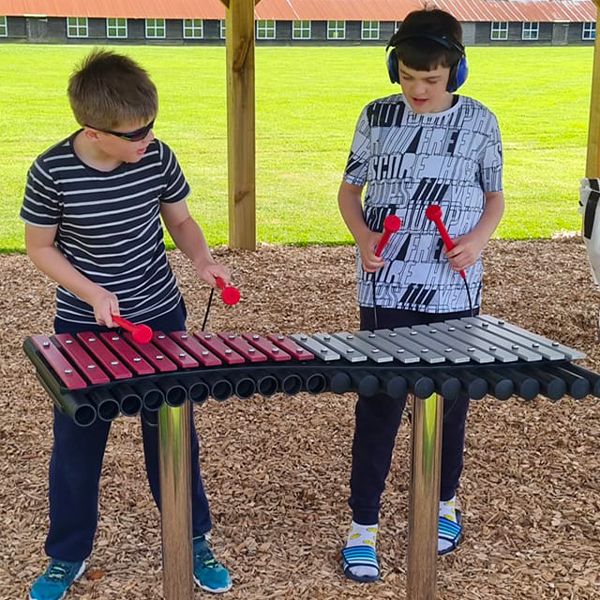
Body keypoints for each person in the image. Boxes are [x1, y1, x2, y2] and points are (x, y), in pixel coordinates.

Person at [21, 49, 233, 599]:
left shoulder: (158, 158)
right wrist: (91, 293)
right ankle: (65, 555)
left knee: (172, 436)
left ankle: (194, 538)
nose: (147, 139)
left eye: (151, 126)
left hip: (161, 315)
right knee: (76, 445)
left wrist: (203, 260)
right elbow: (40, 248)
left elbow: (180, 220)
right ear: (93, 131)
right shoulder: (51, 171)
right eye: (136, 133)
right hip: (83, 327)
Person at [337, 8, 504, 583]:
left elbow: (494, 200)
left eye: (431, 79)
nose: (418, 89)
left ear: (455, 72)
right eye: (408, 76)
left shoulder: (482, 122)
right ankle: (363, 528)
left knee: (448, 407)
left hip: (453, 289)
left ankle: (443, 505)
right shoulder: (376, 117)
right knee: (378, 405)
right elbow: (349, 191)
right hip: (386, 287)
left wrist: (477, 242)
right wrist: (362, 237)